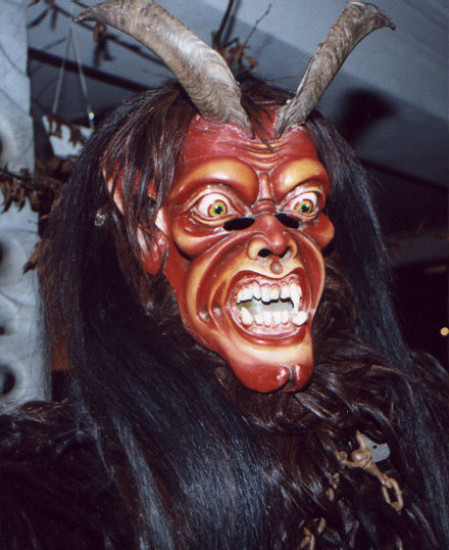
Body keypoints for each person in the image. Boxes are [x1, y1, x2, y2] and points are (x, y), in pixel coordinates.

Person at [1, 1, 447, 548]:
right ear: (147, 231)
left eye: (303, 205)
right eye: (217, 209)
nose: (277, 239)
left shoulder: (410, 414)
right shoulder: (64, 495)